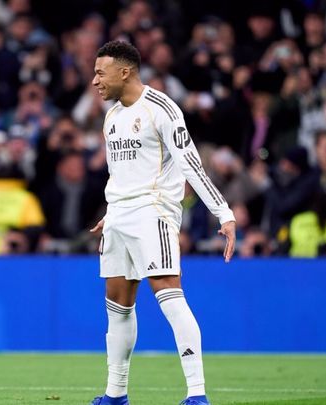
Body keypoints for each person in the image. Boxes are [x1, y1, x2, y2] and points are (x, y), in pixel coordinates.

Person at [88, 40, 236, 405]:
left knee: (169, 295)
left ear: (125, 72)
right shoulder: (112, 117)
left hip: (153, 214)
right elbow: (122, 175)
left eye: (100, 73)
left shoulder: (162, 109)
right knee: (117, 305)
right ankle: (116, 394)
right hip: (119, 217)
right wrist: (111, 212)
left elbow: (192, 164)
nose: (95, 81)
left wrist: (223, 213)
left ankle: (197, 394)